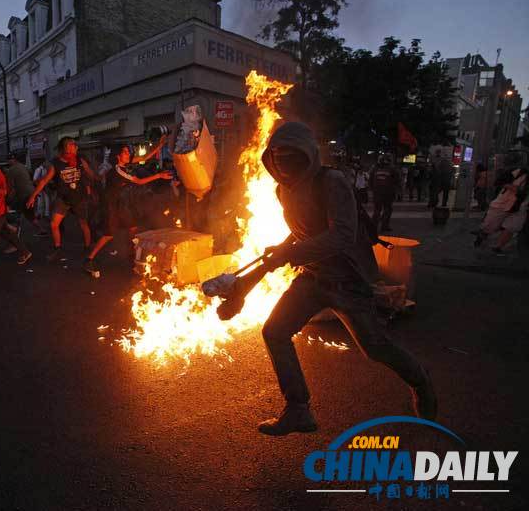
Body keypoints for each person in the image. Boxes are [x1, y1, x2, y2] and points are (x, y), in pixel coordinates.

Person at [219, 122, 435, 436]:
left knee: (376, 348)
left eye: (289, 155)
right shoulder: (283, 190)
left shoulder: (331, 181)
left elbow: (343, 236)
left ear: (307, 154)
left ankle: (420, 381)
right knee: (275, 332)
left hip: (347, 280)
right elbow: (301, 231)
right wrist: (249, 282)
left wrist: (288, 255)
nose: (281, 162)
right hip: (313, 276)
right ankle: (298, 409)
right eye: (276, 156)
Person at [83, 145, 172, 274]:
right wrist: (159, 175)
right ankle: (89, 259)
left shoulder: (125, 164)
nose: (128, 154)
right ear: (118, 156)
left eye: (128, 152)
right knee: (109, 234)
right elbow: (139, 181)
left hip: (121, 203)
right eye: (125, 152)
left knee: (132, 227)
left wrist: (160, 144)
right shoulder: (118, 170)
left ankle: (131, 254)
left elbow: (144, 157)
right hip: (111, 204)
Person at [26, 137, 96, 262]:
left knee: (84, 224)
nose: (71, 149)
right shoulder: (56, 163)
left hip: (79, 198)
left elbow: (91, 174)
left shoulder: (80, 160)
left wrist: (96, 184)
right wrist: (33, 196)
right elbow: (44, 181)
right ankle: (58, 249)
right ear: (63, 149)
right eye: (68, 146)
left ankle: (88, 249)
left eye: (73, 146)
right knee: (54, 224)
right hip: (63, 199)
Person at [473, 168, 528, 255]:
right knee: (490, 224)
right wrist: (514, 188)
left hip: (521, 206)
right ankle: (482, 235)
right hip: (505, 203)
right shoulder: (519, 172)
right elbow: (500, 181)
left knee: (512, 227)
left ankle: (498, 247)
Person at [4, 152, 44, 237]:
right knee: (28, 215)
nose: (9, 162)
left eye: (9, 160)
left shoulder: (11, 170)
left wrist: (8, 200)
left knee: (19, 216)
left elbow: (10, 187)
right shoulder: (24, 167)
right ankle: (41, 230)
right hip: (31, 192)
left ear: (12, 160)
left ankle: (16, 236)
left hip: (24, 195)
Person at [369, 156, 399, 233]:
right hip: (388, 193)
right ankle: (384, 226)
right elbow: (396, 181)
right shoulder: (392, 169)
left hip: (377, 193)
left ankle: (373, 226)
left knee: (377, 210)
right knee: (387, 210)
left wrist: (373, 190)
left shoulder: (375, 169)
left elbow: (370, 180)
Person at [31, 162, 51, 236]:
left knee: (46, 201)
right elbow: (35, 180)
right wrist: (39, 188)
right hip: (40, 188)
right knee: (40, 202)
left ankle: (45, 214)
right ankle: (40, 215)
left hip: (44, 188)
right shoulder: (38, 170)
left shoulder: (46, 169)